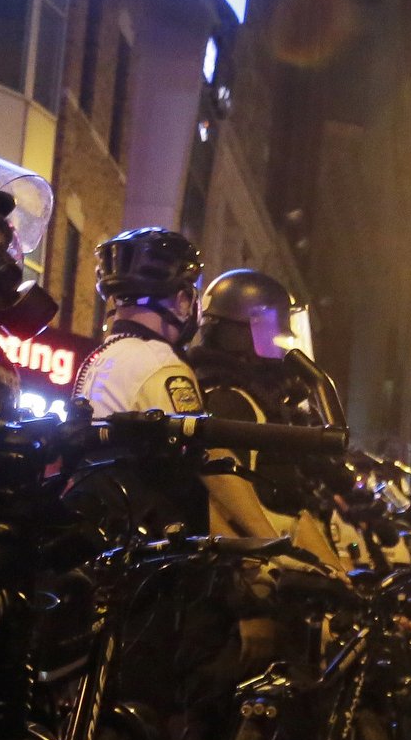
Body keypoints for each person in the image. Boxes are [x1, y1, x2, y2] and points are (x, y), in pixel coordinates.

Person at [75, 229, 282, 542]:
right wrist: (266, 544)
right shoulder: (161, 364)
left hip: (101, 539)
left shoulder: (104, 356)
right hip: (141, 560)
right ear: (182, 299)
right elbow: (208, 462)